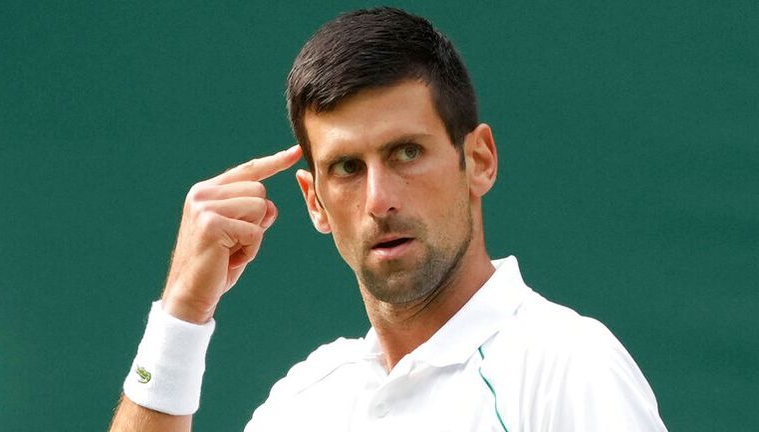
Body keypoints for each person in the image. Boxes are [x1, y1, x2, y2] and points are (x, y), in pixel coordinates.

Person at [110, 7, 667, 431]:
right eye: (348, 167)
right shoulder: (305, 403)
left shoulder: (568, 366)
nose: (380, 199)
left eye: (406, 153)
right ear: (314, 201)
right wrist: (180, 317)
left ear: (478, 160)